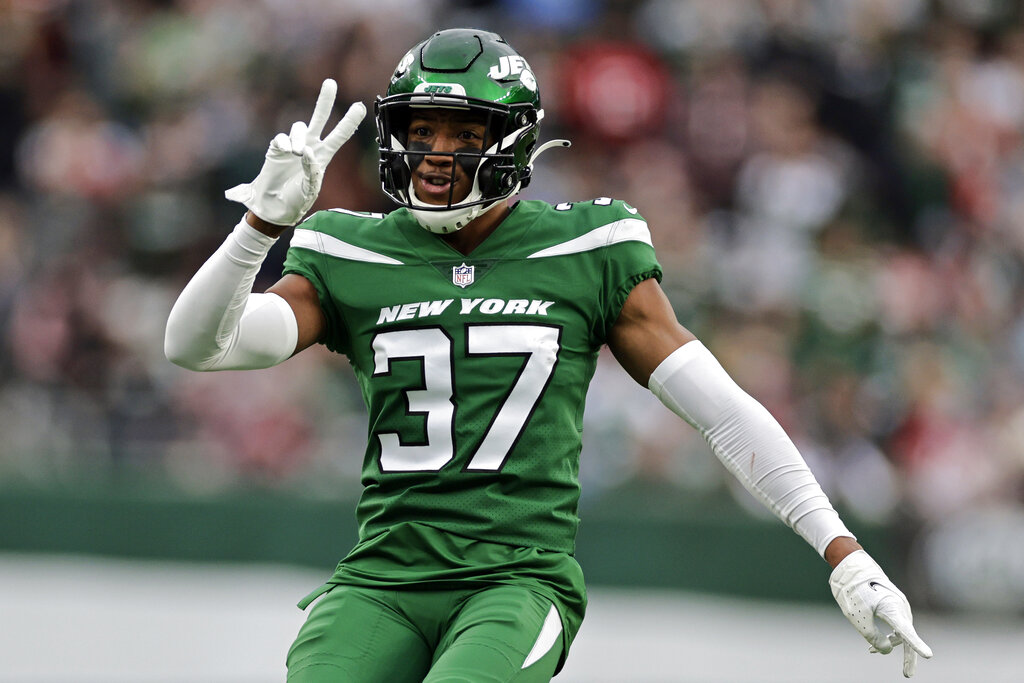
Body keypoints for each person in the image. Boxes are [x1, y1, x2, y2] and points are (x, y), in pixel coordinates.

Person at [165, 28, 932, 682]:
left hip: (514, 580)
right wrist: (259, 225)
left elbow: (723, 412)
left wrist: (842, 551)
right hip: (381, 577)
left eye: (463, 134)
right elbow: (198, 345)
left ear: (512, 141)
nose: (434, 153)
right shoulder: (348, 247)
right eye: (421, 129)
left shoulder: (587, 246)